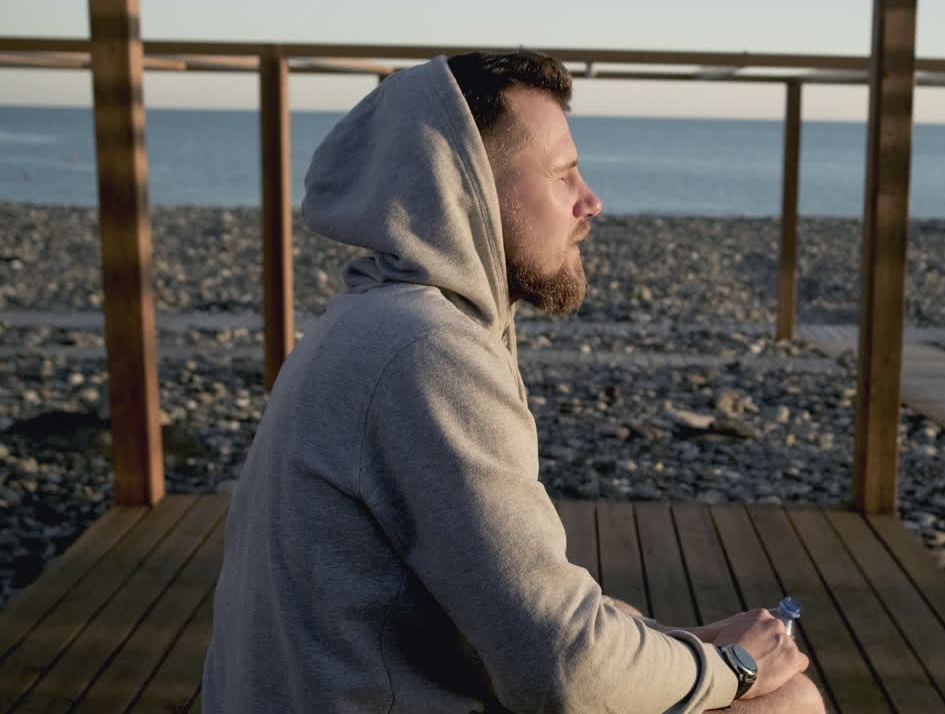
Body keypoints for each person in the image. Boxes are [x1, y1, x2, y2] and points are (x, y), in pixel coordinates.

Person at [202, 50, 825, 713]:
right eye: (562, 176)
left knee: (631, 622)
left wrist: (685, 650)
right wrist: (733, 666)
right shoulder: (427, 351)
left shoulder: (373, 319)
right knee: (786, 702)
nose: (591, 201)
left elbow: (521, 615)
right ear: (462, 190)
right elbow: (563, 668)